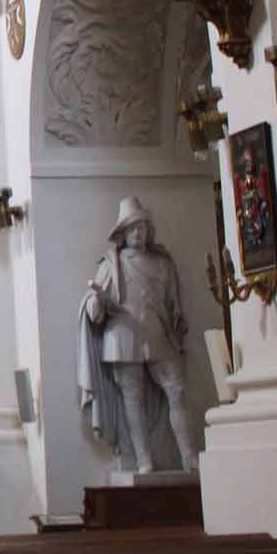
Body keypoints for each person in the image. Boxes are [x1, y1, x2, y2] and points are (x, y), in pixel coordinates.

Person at [79, 197, 195, 474]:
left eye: (142, 227)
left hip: (158, 335)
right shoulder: (112, 264)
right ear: (123, 234)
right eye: (133, 229)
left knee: (176, 391)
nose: (138, 233)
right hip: (123, 337)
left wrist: (178, 322)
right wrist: (97, 303)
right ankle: (143, 459)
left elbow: (173, 303)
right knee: (132, 399)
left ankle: (188, 455)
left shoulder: (163, 263)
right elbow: (95, 309)